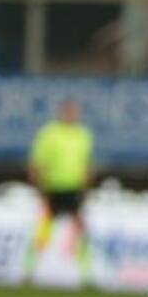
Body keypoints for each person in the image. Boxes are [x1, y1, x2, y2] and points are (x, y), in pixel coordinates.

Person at [25, 98, 95, 286]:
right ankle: (28, 271)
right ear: (62, 112)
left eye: (75, 112)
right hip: (53, 187)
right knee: (43, 230)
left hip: (74, 188)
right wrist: (40, 188)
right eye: (70, 111)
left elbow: (86, 163)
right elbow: (37, 162)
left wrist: (87, 183)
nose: (73, 115)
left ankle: (87, 275)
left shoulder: (83, 134)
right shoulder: (49, 133)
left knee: (80, 230)